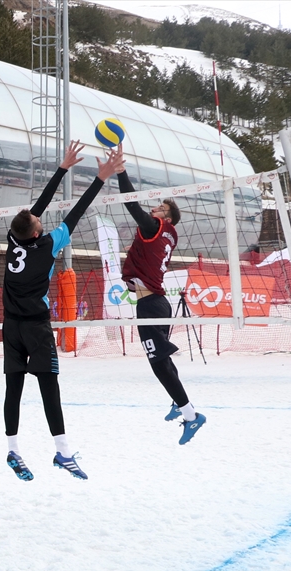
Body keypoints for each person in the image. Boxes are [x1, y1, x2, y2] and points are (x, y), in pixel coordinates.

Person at [2, 140, 123, 482]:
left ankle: (13, 448)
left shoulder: (13, 241)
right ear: (38, 231)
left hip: (10, 327)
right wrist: (100, 177)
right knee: (48, 387)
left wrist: (62, 168)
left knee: (13, 389)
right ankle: (64, 452)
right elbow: (77, 212)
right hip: (37, 330)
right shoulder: (48, 244)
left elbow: (33, 212)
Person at [114, 146, 206, 444]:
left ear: (167, 217)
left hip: (151, 304)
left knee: (157, 363)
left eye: (160, 208)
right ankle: (177, 400)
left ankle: (191, 415)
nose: (154, 208)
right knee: (161, 363)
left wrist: (120, 172)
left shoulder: (156, 227)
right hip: (156, 302)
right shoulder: (168, 235)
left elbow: (131, 205)